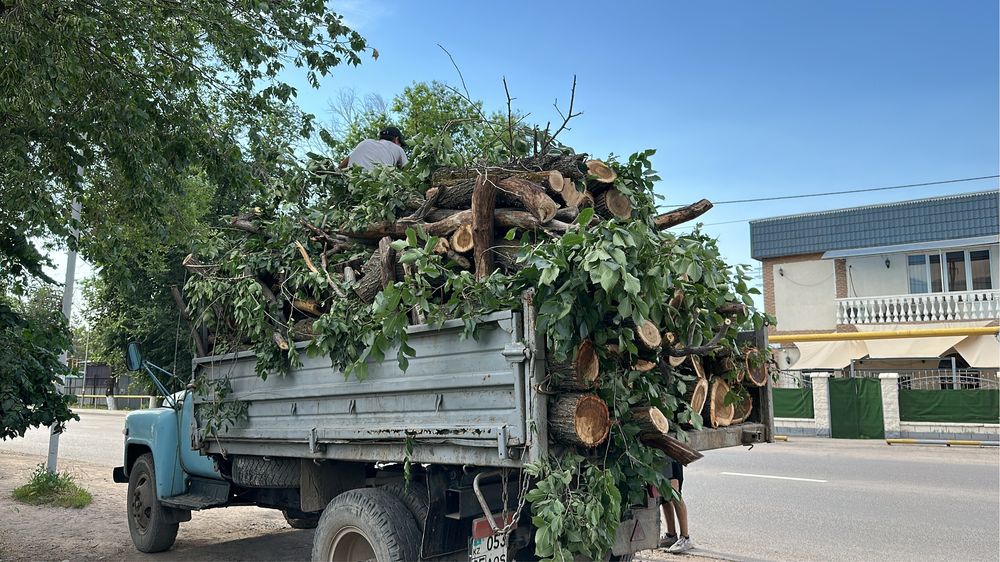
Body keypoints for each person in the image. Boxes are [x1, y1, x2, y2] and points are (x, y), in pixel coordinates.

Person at [659, 458, 693, 553]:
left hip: (671, 458)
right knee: (664, 496)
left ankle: (685, 537)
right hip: (660, 458)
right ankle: (671, 535)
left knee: (675, 494)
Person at [339, 126, 408, 171]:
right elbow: (407, 170)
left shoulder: (366, 142)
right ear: (396, 139)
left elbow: (342, 165)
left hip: (351, 181)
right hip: (374, 185)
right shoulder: (397, 148)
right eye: (400, 144)